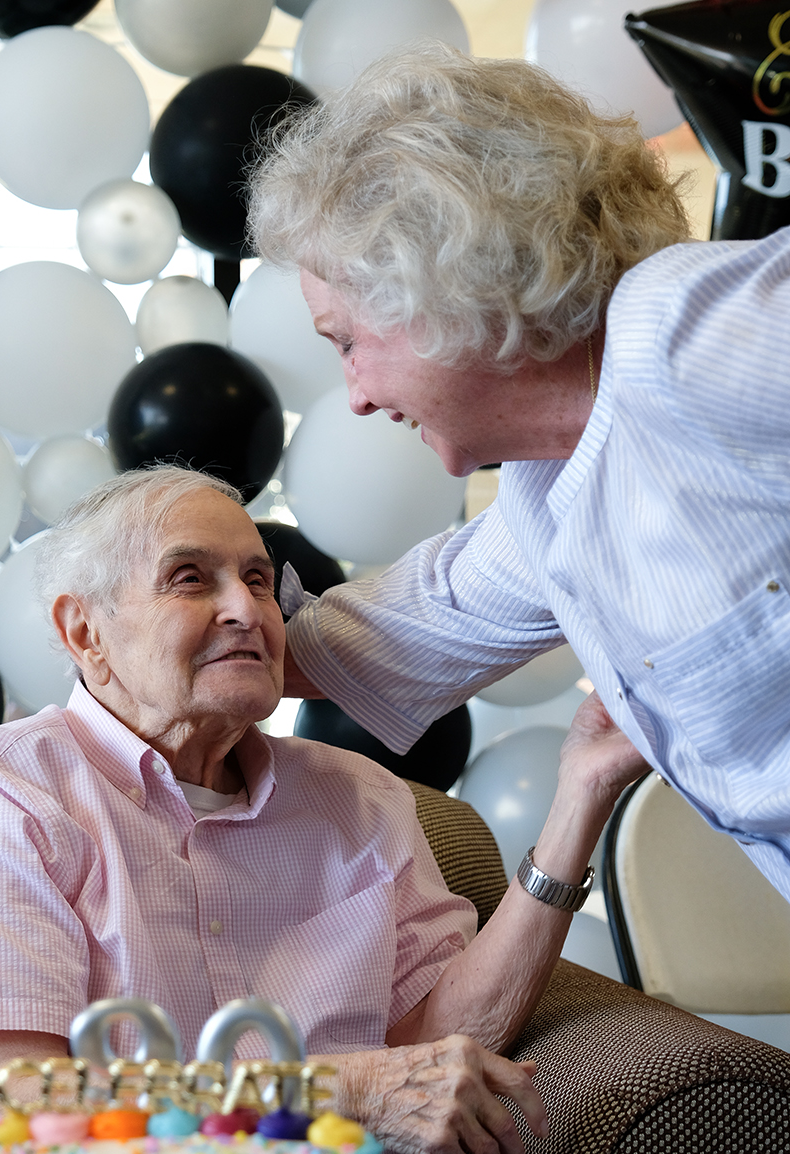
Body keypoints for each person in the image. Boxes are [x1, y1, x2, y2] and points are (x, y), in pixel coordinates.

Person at [0, 467, 647, 1154]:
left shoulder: (361, 796)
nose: (249, 610)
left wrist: (580, 801)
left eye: (257, 579)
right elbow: (11, 1100)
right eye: (190, 579)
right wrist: (335, 1091)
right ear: (86, 632)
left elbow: (440, 1046)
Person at [249, 42, 790, 905]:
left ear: (443, 284)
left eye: (347, 341)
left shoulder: (688, 337)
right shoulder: (545, 498)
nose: (353, 396)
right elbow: (385, 636)